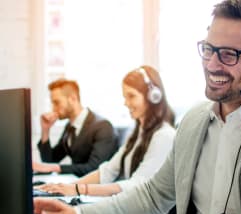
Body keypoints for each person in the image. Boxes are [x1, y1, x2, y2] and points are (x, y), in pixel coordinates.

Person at [34, 1, 241, 214]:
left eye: (229, 55)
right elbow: (154, 195)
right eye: (209, 49)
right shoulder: (195, 120)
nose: (211, 64)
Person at [36, 65, 176, 197]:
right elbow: (108, 170)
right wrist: (66, 187)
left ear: (154, 96)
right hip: (133, 210)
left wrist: (79, 189)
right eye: (124, 97)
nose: (125, 103)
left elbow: (137, 185)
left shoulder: (164, 136)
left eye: (131, 96)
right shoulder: (137, 134)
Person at [33, 78, 118, 177]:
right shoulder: (70, 127)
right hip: (77, 183)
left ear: (72, 99)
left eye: (56, 102)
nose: (53, 108)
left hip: (94, 187)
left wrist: (56, 168)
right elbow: (50, 160)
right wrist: (45, 130)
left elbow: (94, 168)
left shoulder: (102, 126)